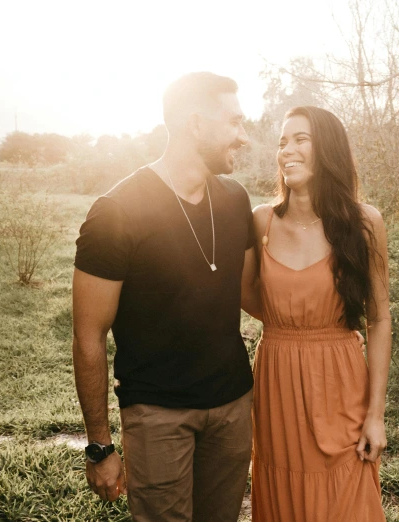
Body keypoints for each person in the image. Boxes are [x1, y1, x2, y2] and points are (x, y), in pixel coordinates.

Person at [72, 72, 260, 521]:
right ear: (195, 124)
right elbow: (88, 336)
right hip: (157, 416)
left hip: (233, 408)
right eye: (234, 122)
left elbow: (254, 295)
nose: (244, 136)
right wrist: (100, 446)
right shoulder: (115, 213)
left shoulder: (236, 200)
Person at [247, 106, 392, 521]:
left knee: (345, 497)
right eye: (281, 142)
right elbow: (245, 294)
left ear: (326, 149)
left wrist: (376, 416)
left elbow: (379, 319)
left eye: (300, 139)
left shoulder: (364, 223)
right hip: (277, 381)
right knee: (283, 497)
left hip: (339, 380)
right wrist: (292, 324)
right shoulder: (262, 222)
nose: (286, 150)